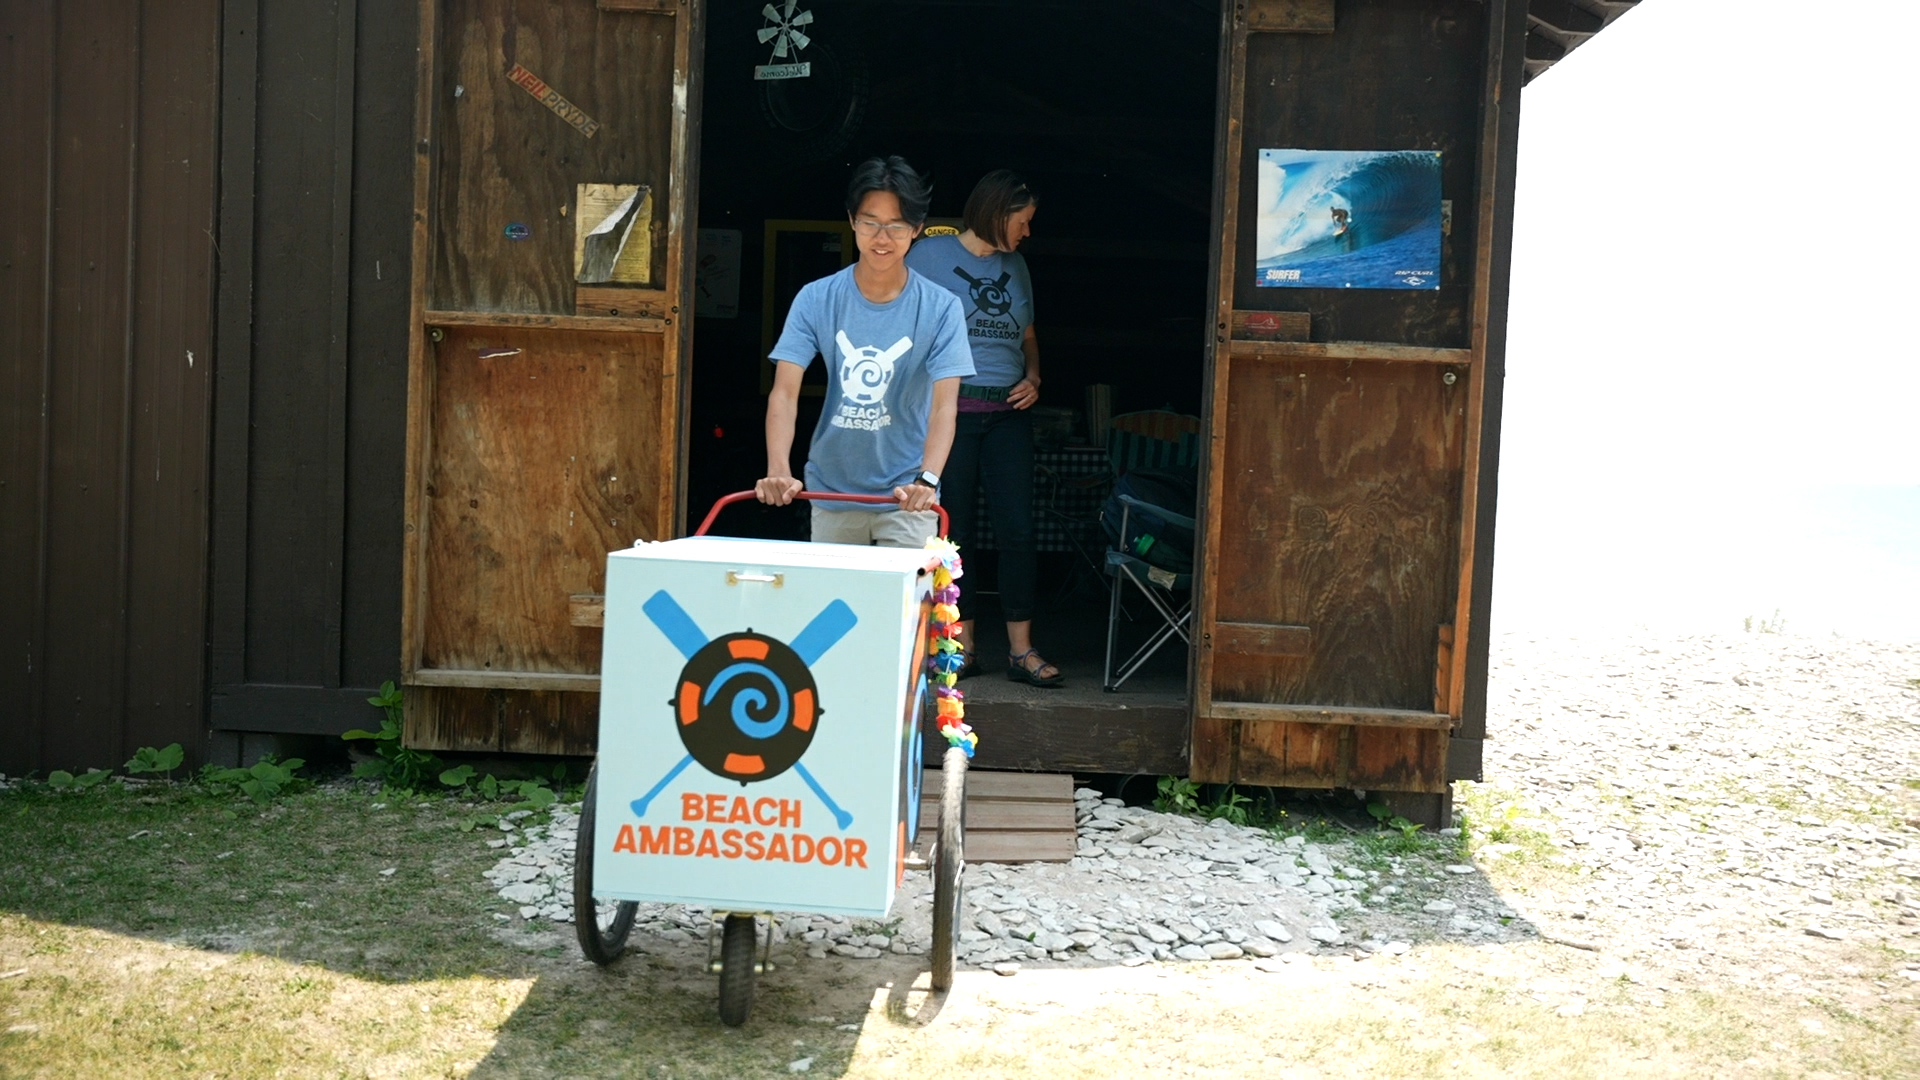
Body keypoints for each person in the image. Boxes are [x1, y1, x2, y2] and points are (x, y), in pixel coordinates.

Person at [757, 156, 974, 550]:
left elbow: (945, 407)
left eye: (896, 226)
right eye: (871, 222)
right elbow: (785, 391)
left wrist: (927, 480)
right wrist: (777, 469)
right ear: (852, 221)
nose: (882, 237)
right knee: (832, 610)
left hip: (908, 496)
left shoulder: (942, 307)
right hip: (831, 492)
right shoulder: (816, 298)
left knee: (905, 611)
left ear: (917, 230)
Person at [903, 170, 1060, 687]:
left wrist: (1034, 375)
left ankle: (1021, 649)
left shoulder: (1017, 267)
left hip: (1009, 415)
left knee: (1018, 529)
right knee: (955, 530)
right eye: (1023, 221)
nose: (1027, 232)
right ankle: (961, 647)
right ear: (997, 212)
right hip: (953, 416)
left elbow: (1029, 333)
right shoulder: (926, 256)